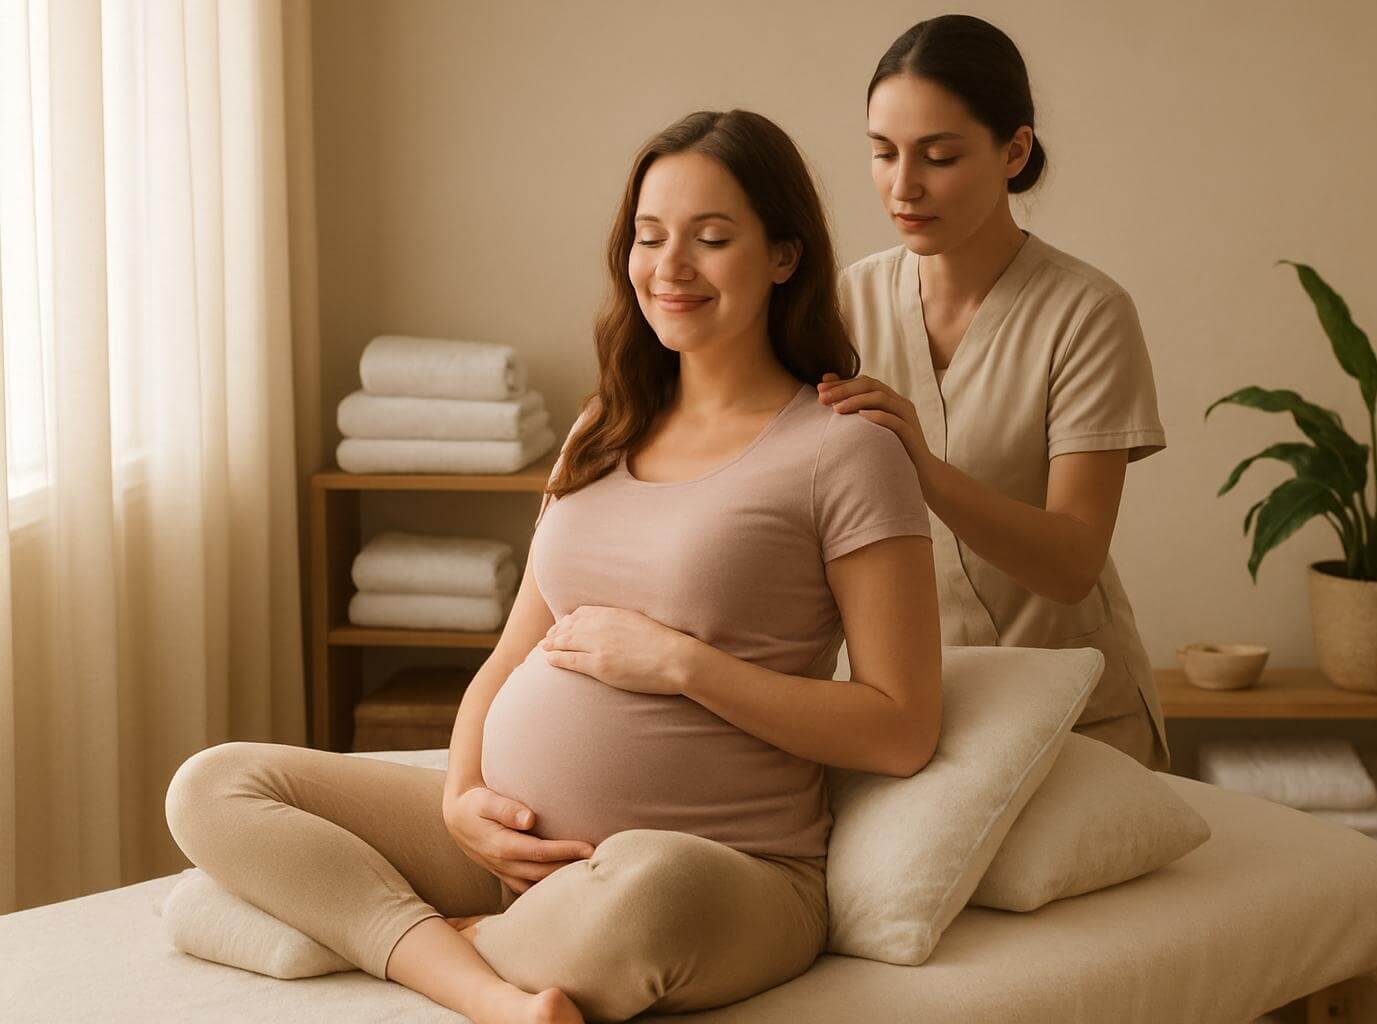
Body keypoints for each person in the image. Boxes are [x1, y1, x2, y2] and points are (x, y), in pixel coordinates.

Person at [162, 109, 941, 1024]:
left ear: (784, 256)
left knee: (649, 891)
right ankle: (480, 979)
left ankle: (406, 942)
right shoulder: (602, 425)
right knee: (214, 785)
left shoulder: (844, 450)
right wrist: (460, 800)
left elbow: (900, 727)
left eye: (712, 238)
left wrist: (681, 664)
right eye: (649, 238)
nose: (671, 267)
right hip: (509, 849)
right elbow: (509, 656)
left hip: (721, 870)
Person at [823, 14, 1172, 771]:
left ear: (1014, 151)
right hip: (915, 716)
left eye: (939, 156)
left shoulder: (1087, 313)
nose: (903, 186)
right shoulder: (849, 301)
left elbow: (1073, 560)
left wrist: (925, 470)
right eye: (882, 153)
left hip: (1077, 715)